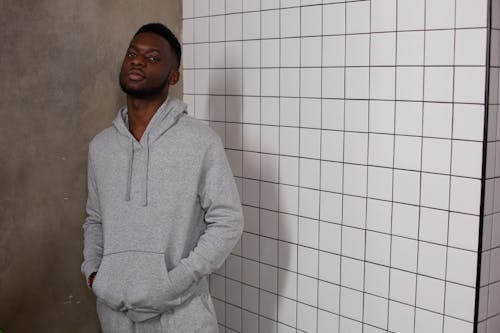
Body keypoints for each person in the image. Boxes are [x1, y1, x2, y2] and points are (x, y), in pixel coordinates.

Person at [81, 23, 244, 333]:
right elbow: (95, 220)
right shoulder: (100, 147)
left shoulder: (200, 141)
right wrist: (94, 274)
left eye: (153, 57)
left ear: (174, 76)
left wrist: (174, 282)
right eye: (133, 53)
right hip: (115, 316)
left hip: (182, 317)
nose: (138, 61)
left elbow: (228, 221)